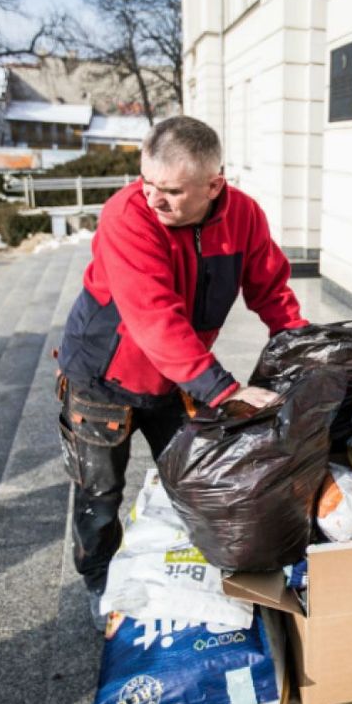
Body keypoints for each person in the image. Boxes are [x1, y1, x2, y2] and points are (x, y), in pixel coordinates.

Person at [54, 116, 308, 628]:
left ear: (215, 185)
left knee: (197, 478)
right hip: (102, 379)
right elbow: (155, 320)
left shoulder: (244, 217)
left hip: (175, 378)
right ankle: (99, 578)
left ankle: (199, 569)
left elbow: (270, 287)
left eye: (170, 191)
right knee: (99, 494)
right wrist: (225, 390)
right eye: (147, 184)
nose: (153, 199)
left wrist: (300, 344)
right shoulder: (127, 217)